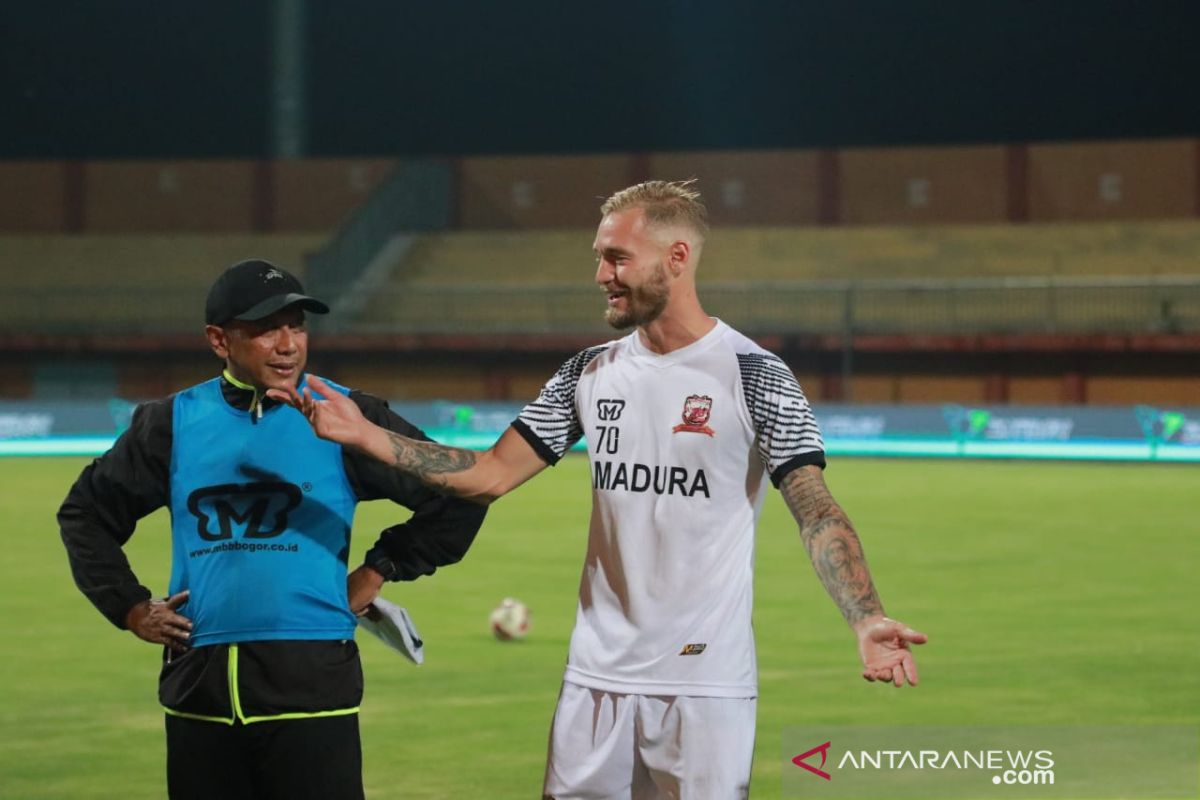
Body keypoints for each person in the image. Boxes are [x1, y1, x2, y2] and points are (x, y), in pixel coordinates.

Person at [271, 181, 928, 799]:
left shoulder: (754, 374)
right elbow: (490, 473)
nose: (600, 275)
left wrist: (865, 616)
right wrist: (366, 436)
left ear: (676, 258)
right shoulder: (588, 372)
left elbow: (814, 508)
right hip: (594, 678)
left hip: (703, 685)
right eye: (598, 257)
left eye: (617, 257)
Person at [58, 259, 487, 800]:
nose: (288, 344)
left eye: (298, 326)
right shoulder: (170, 423)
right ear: (219, 340)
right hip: (200, 692)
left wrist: (382, 567)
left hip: (313, 687)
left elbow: (463, 488)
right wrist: (130, 606)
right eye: (265, 329)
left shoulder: (348, 414)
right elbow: (85, 514)